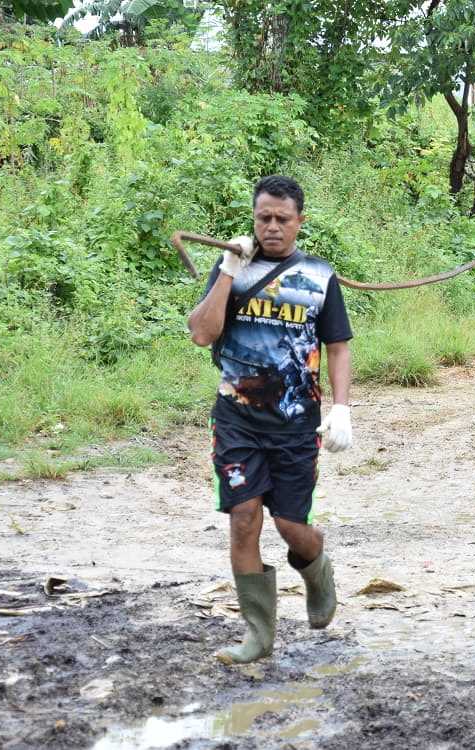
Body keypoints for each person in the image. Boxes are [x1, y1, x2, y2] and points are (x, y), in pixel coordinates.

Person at [187, 175, 354, 665]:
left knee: (290, 525)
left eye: (283, 219)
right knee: (244, 519)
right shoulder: (231, 269)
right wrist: (225, 271)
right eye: (264, 218)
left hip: (296, 423)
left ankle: (315, 560)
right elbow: (201, 334)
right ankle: (258, 633)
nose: (273, 227)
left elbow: (338, 346)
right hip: (237, 419)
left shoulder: (321, 277)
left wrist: (342, 407)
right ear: (254, 217)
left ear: (300, 222)